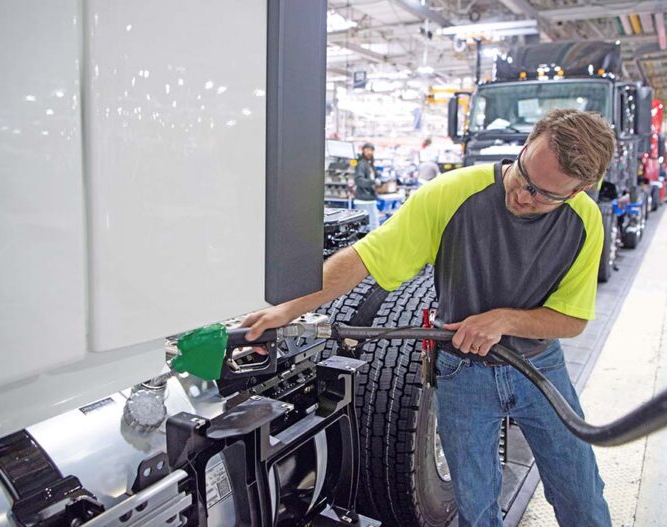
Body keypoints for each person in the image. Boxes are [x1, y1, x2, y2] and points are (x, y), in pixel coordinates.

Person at [242, 109, 615, 527]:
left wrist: (503, 320)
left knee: (580, 493)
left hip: (540, 367)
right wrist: (287, 308)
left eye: (546, 195)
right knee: (476, 507)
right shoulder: (452, 194)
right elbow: (366, 257)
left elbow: (571, 320)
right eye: (525, 177)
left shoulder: (585, 221)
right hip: (464, 373)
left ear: (581, 189)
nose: (525, 196)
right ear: (527, 145)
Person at [353, 143, 380, 230]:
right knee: (371, 227)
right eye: (367, 150)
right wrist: (373, 182)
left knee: (371, 226)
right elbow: (359, 181)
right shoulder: (361, 164)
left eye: (371, 150)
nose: (369, 152)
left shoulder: (369, 164)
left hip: (369, 199)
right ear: (363, 151)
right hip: (363, 200)